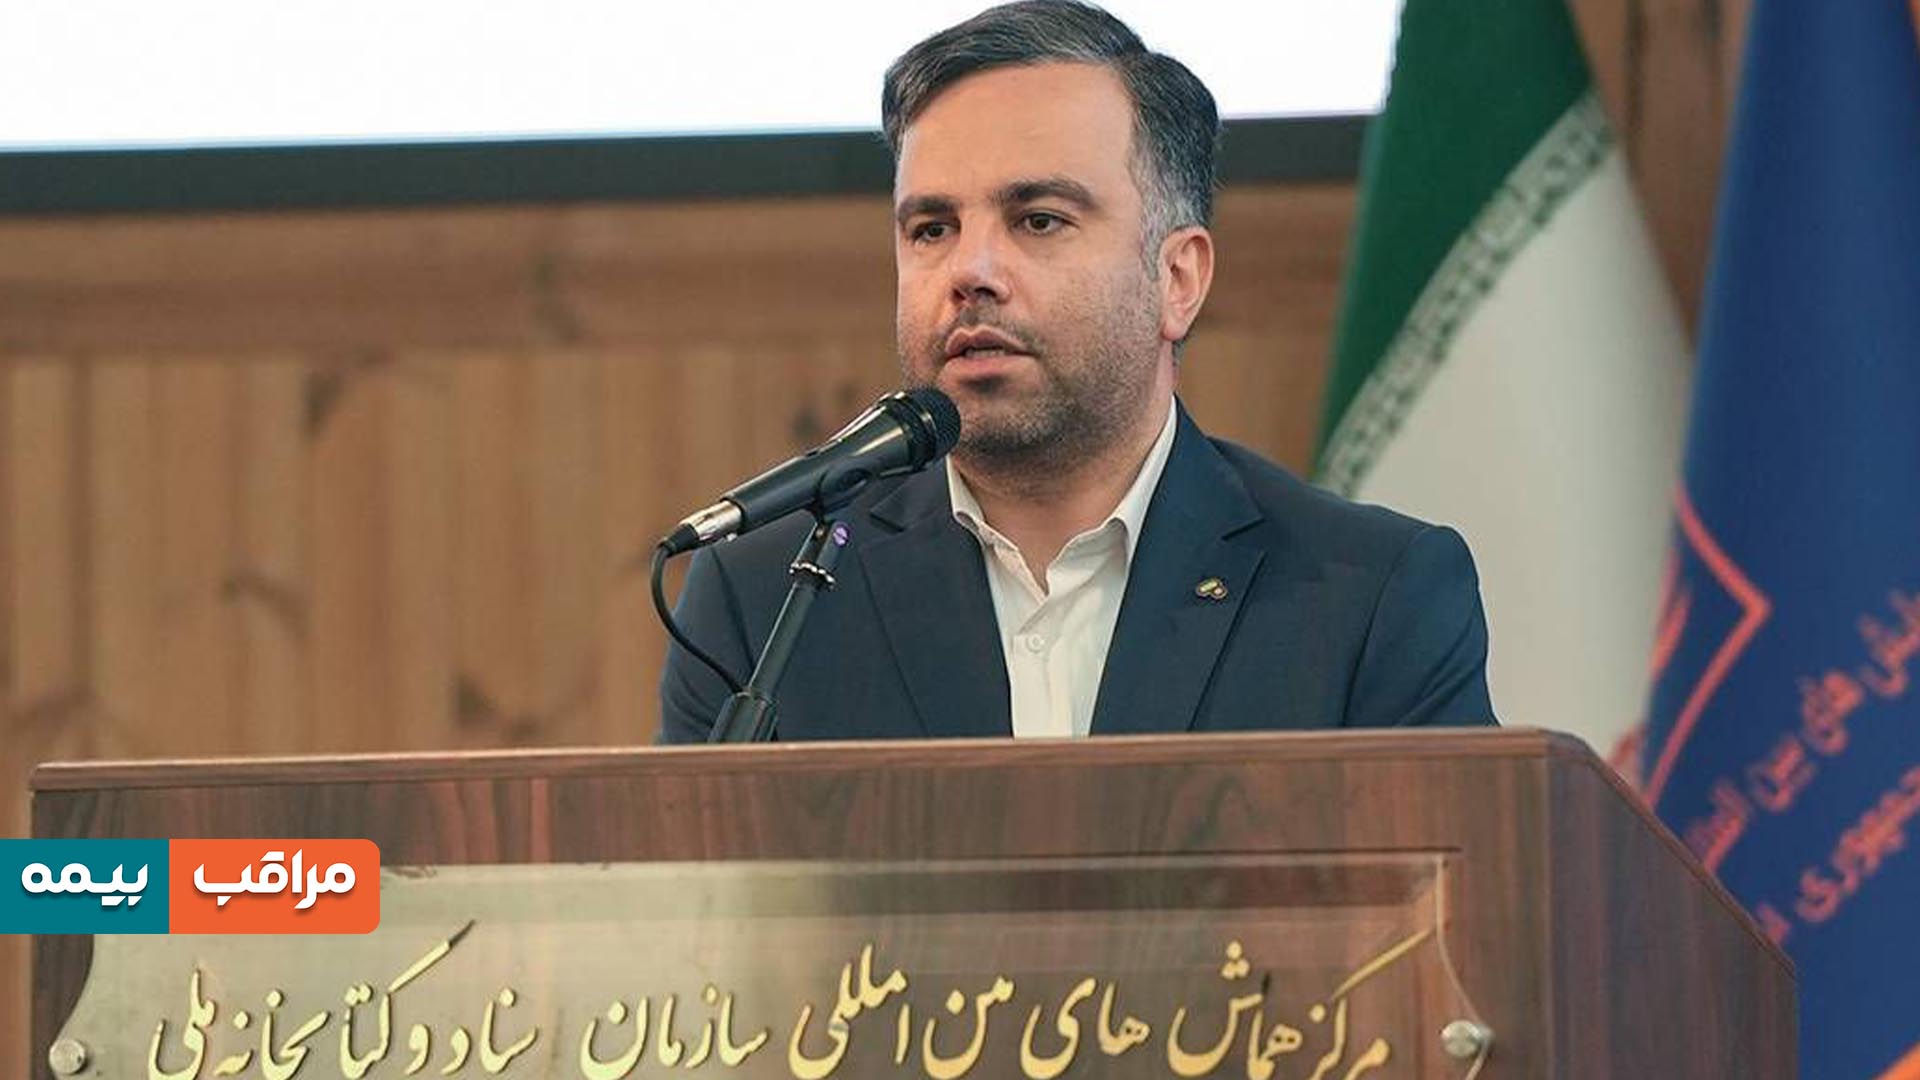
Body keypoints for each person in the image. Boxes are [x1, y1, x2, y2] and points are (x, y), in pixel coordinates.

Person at [658, 0, 1496, 743]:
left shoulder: (1372, 596)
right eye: (932, 229)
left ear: (1178, 279)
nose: (971, 270)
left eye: (1039, 219)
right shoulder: (766, 600)